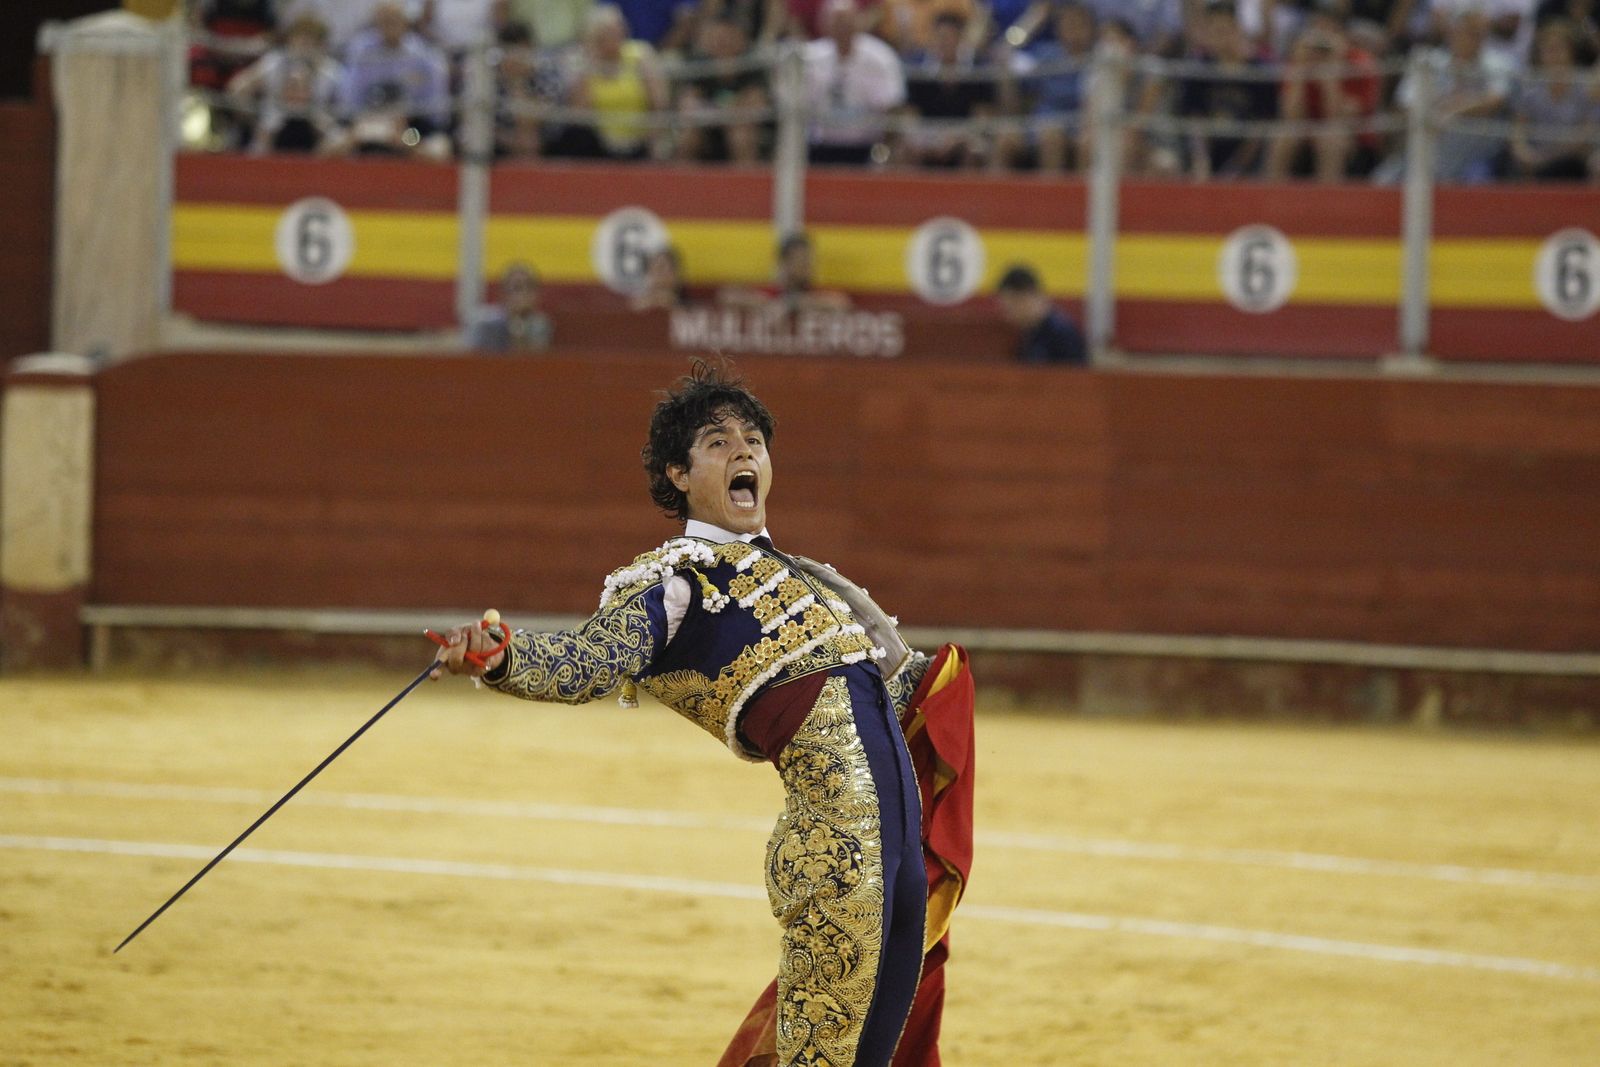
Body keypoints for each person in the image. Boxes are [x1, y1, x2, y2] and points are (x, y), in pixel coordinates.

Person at [432, 360, 973, 1067]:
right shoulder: (674, 586)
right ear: (678, 475)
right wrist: (498, 658)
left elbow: (879, 697)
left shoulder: (806, 576)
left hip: (898, 855)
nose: (743, 451)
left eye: (753, 439)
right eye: (718, 442)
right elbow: (589, 658)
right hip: (837, 851)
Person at [1265, 3, 1381, 182]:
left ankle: (1329, 204)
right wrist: (1300, 72)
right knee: (1283, 135)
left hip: (1351, 138)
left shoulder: (1360, 63)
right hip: (1308, 130)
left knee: (1329, 137)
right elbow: (1291, 115)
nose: (1321, 43)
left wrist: (1331, 74)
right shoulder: (1302, 59)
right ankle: (1271, 199)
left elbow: (1339, 118)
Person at [1176, 1, 1279, 180]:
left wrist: (1235, 169)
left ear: (1237, 29)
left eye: (1224, 30)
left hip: (1250, 159)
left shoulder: (1259, 71)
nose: (1219, 37)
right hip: (1208, 154)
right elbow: (1194, 121)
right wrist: (1201, 161)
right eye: (1214, 31)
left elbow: (1260, 128)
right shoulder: (1198, 68)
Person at [556, 4, 671, 160]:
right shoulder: (585, 61)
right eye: (608, 33)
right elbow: (577, 113)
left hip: (639, 140)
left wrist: (652, 136)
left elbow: (660, 103)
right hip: (598, 143)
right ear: (596, 37)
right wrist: (590, 67)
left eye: (618, 30)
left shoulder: (641, 55)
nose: (615, 37)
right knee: (577, 137)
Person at [339, 1, 452, 158]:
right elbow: (349, 99)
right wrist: (365, 122)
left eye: (395, 19)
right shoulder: (359, 50)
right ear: (376, 21)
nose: (390, 24)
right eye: (384, 19)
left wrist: (406, 120)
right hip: (367, 122)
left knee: (437, 150)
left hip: (411, 128)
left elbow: (436, 111)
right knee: (336, 144)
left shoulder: (425, 55)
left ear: (406, 21)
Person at [803, 0, 907, 164]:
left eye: (846, 21)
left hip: (865, 148)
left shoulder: (880, 58)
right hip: (818, 146)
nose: (842, 28)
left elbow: (893, 108)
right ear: (825, 23)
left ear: (857, 22)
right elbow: (797, 107)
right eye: (837, 21)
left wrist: (885, 153)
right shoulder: (810, 58)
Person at [226, 14, 346, 154]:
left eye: (310, 41)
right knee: (263, 133)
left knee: (336, 139)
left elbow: (345, 104)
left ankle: (318, 170)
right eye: (300, 40)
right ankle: (259, 169)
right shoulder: (274, 62)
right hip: (276, 115)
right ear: (290, 40)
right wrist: (251, 119)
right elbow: (238, 88)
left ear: (320, 44)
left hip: (316, 117)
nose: (304, 46)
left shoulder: (331, 70)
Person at [898, 10, 998, 169]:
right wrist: (927, 139)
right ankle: (911, 193)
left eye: (949, 38)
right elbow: (910, 116)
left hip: (966, 134)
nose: (943, 43)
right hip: (927, 134)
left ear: (960, 39)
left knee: (975, 148)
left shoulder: (978, 68)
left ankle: (968, 193)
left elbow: (983, 119)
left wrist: (958, 137)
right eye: (939, 38)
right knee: (907, 147)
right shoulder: (918, 68)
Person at [1506, 18, 1600, 180]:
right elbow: (1517, 134)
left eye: (1559, 49)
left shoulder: (1586, 88)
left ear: (1571, 53)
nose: (1554, 56)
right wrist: (1526, 156)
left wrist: (1544, 157)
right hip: (1536, 161)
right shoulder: (1531, 92)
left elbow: (1585, 136)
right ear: (1540, 55)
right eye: (1548, 50)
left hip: (1574, 160)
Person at [675, 14, 771, 163]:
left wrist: (728, 114)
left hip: (741, 126)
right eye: (718, 37)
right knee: (688, 136)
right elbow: (687, 103)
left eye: (728, 37)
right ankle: (683, 184)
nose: (723, 42)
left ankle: (744, 183)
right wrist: (711, 114)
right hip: (707, 125)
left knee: (741, 137)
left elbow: (756, 105)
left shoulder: (753, 64)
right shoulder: (699, 63)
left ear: (742, 39)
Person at [721, 231, 852, 310]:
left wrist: (792, 304)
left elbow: (841, 303)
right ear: (785, 263)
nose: (807, 267)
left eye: (809, 262)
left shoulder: (815, 294)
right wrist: (767, 304)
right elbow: (727, 296)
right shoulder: (770, 292)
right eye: (801, 261)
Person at [995, 263, 1087, 364]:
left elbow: (1073, 377)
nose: (1008, 316)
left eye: (1010, 308)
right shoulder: (1031, 332)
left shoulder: (1062, 334)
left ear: (1025, 297)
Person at [466, 262, 553, 350]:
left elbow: (535, 359)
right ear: (503, 293)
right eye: (518, 288)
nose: (524, 293)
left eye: (530, 287)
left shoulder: (540, 323)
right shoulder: (485, 322)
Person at [631, 245, 691, 309]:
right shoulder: (638, 306)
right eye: (652, 268)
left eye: (661, 268)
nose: (656, 274)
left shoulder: (690, 309)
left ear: (675, 272)